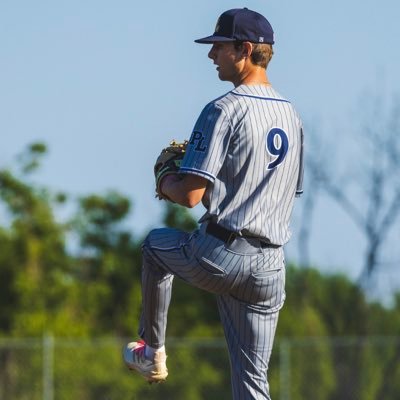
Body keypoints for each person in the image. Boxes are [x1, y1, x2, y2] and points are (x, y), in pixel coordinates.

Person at [123, 7, 304, 400]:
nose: (211, 55)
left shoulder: (223, 108)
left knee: (155, 246)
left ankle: (152, 351)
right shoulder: (292, 116)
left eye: (219, 47)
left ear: (246, 48)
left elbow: (190, 196)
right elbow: (283, 188)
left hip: (223, 254)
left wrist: (165, 179)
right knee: (253, 387)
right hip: (271, 268)